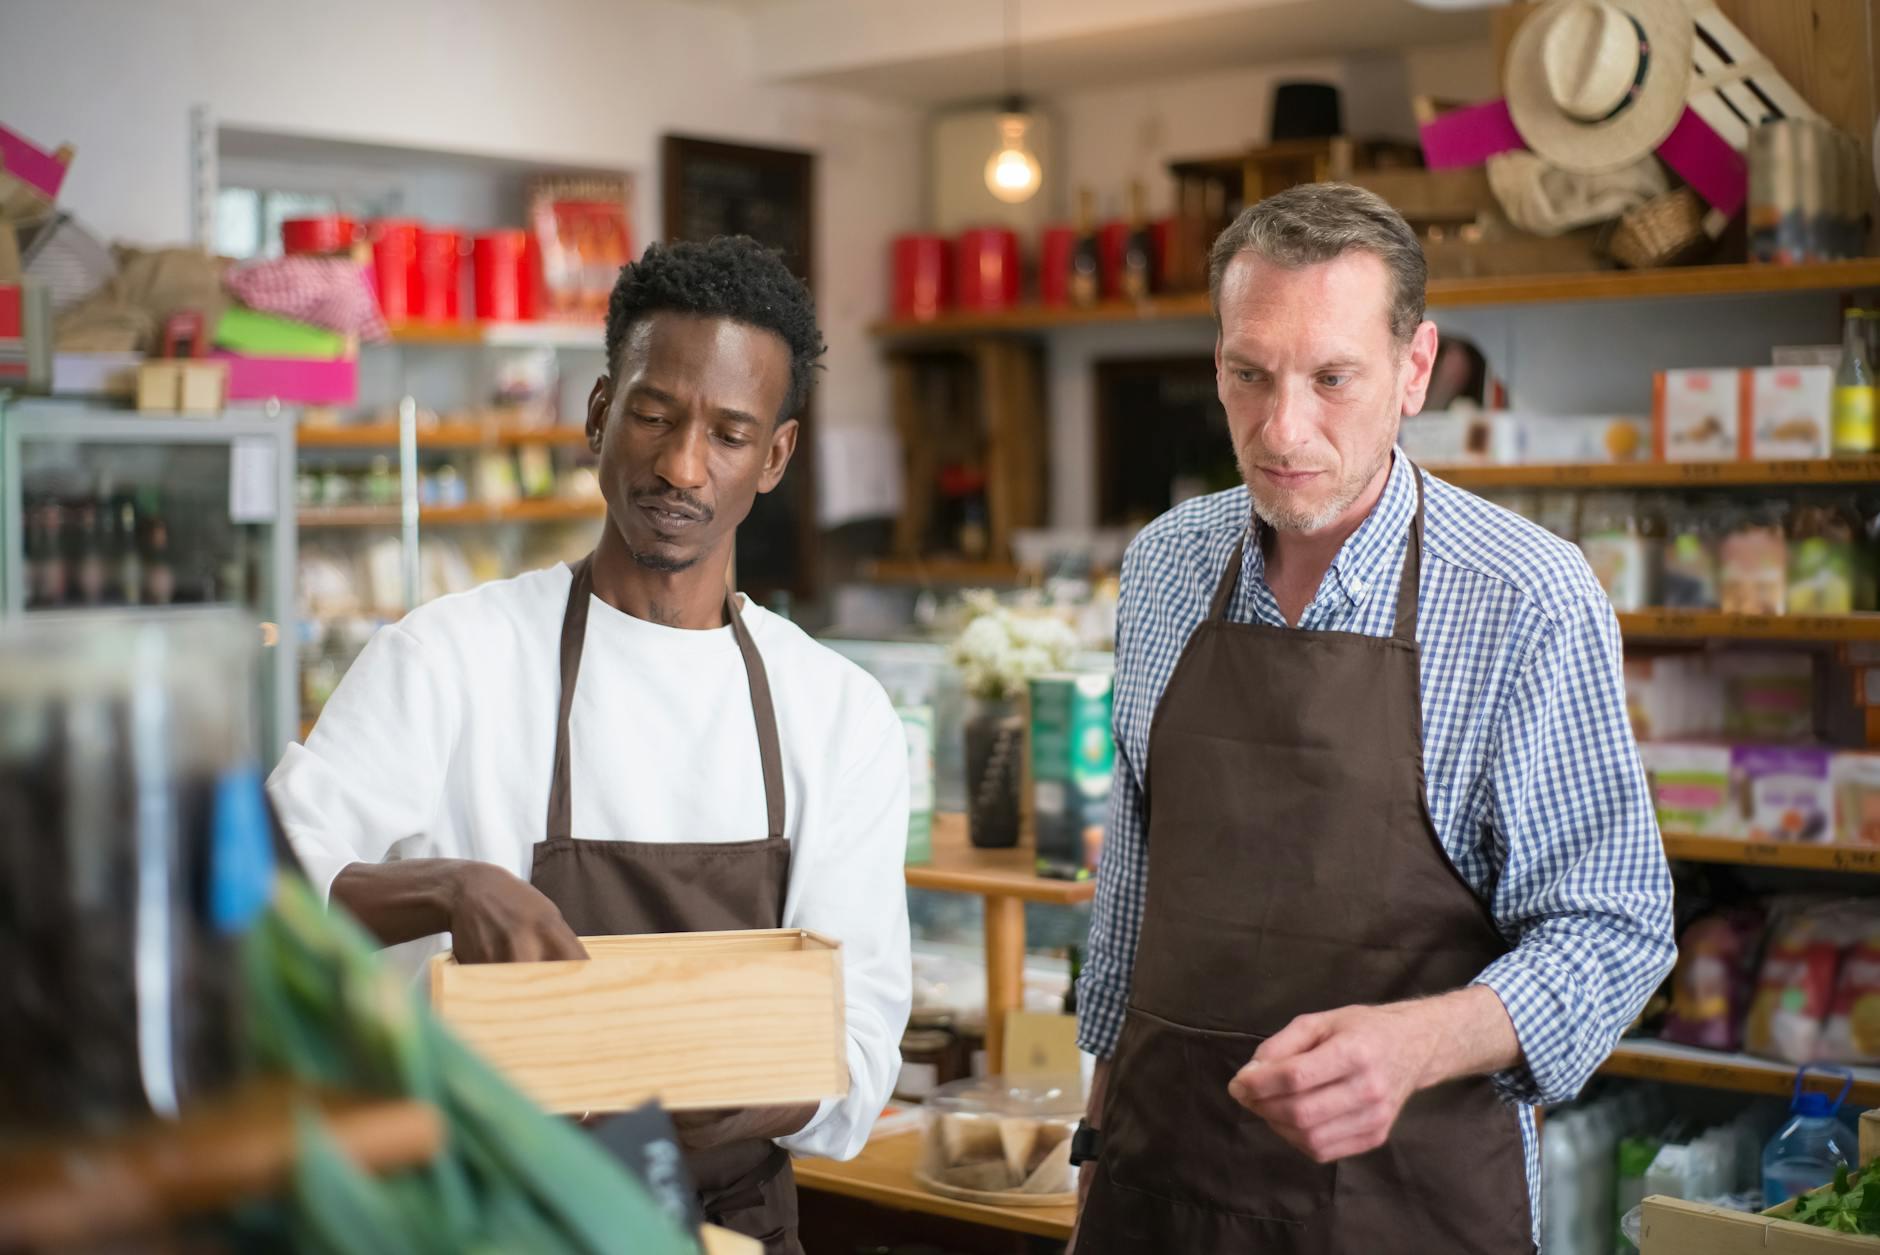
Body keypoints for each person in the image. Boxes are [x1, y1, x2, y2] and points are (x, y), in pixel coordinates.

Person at [268, 236, 912, 1255]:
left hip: (723, 1229)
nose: (679, 465)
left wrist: (724, 1099)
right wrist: (448, 888)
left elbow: (860, 1038)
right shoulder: (448, 657)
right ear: (599, 410)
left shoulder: (836, 712)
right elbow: (257, 895)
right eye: (653, 414)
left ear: (776, 457)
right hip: (478, 1220)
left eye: (728, 433)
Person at [1067, 183, 1674, 1253]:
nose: (1281, 428)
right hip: (1158, 1191)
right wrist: (1091, 1142)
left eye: (1331, 378)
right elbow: (1134, 884)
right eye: (1247, 375)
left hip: (1407, 1207)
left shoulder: (1523, 595)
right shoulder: (1164, 566)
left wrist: (1417, 1042)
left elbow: (1613, 924)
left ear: (1412, 368)